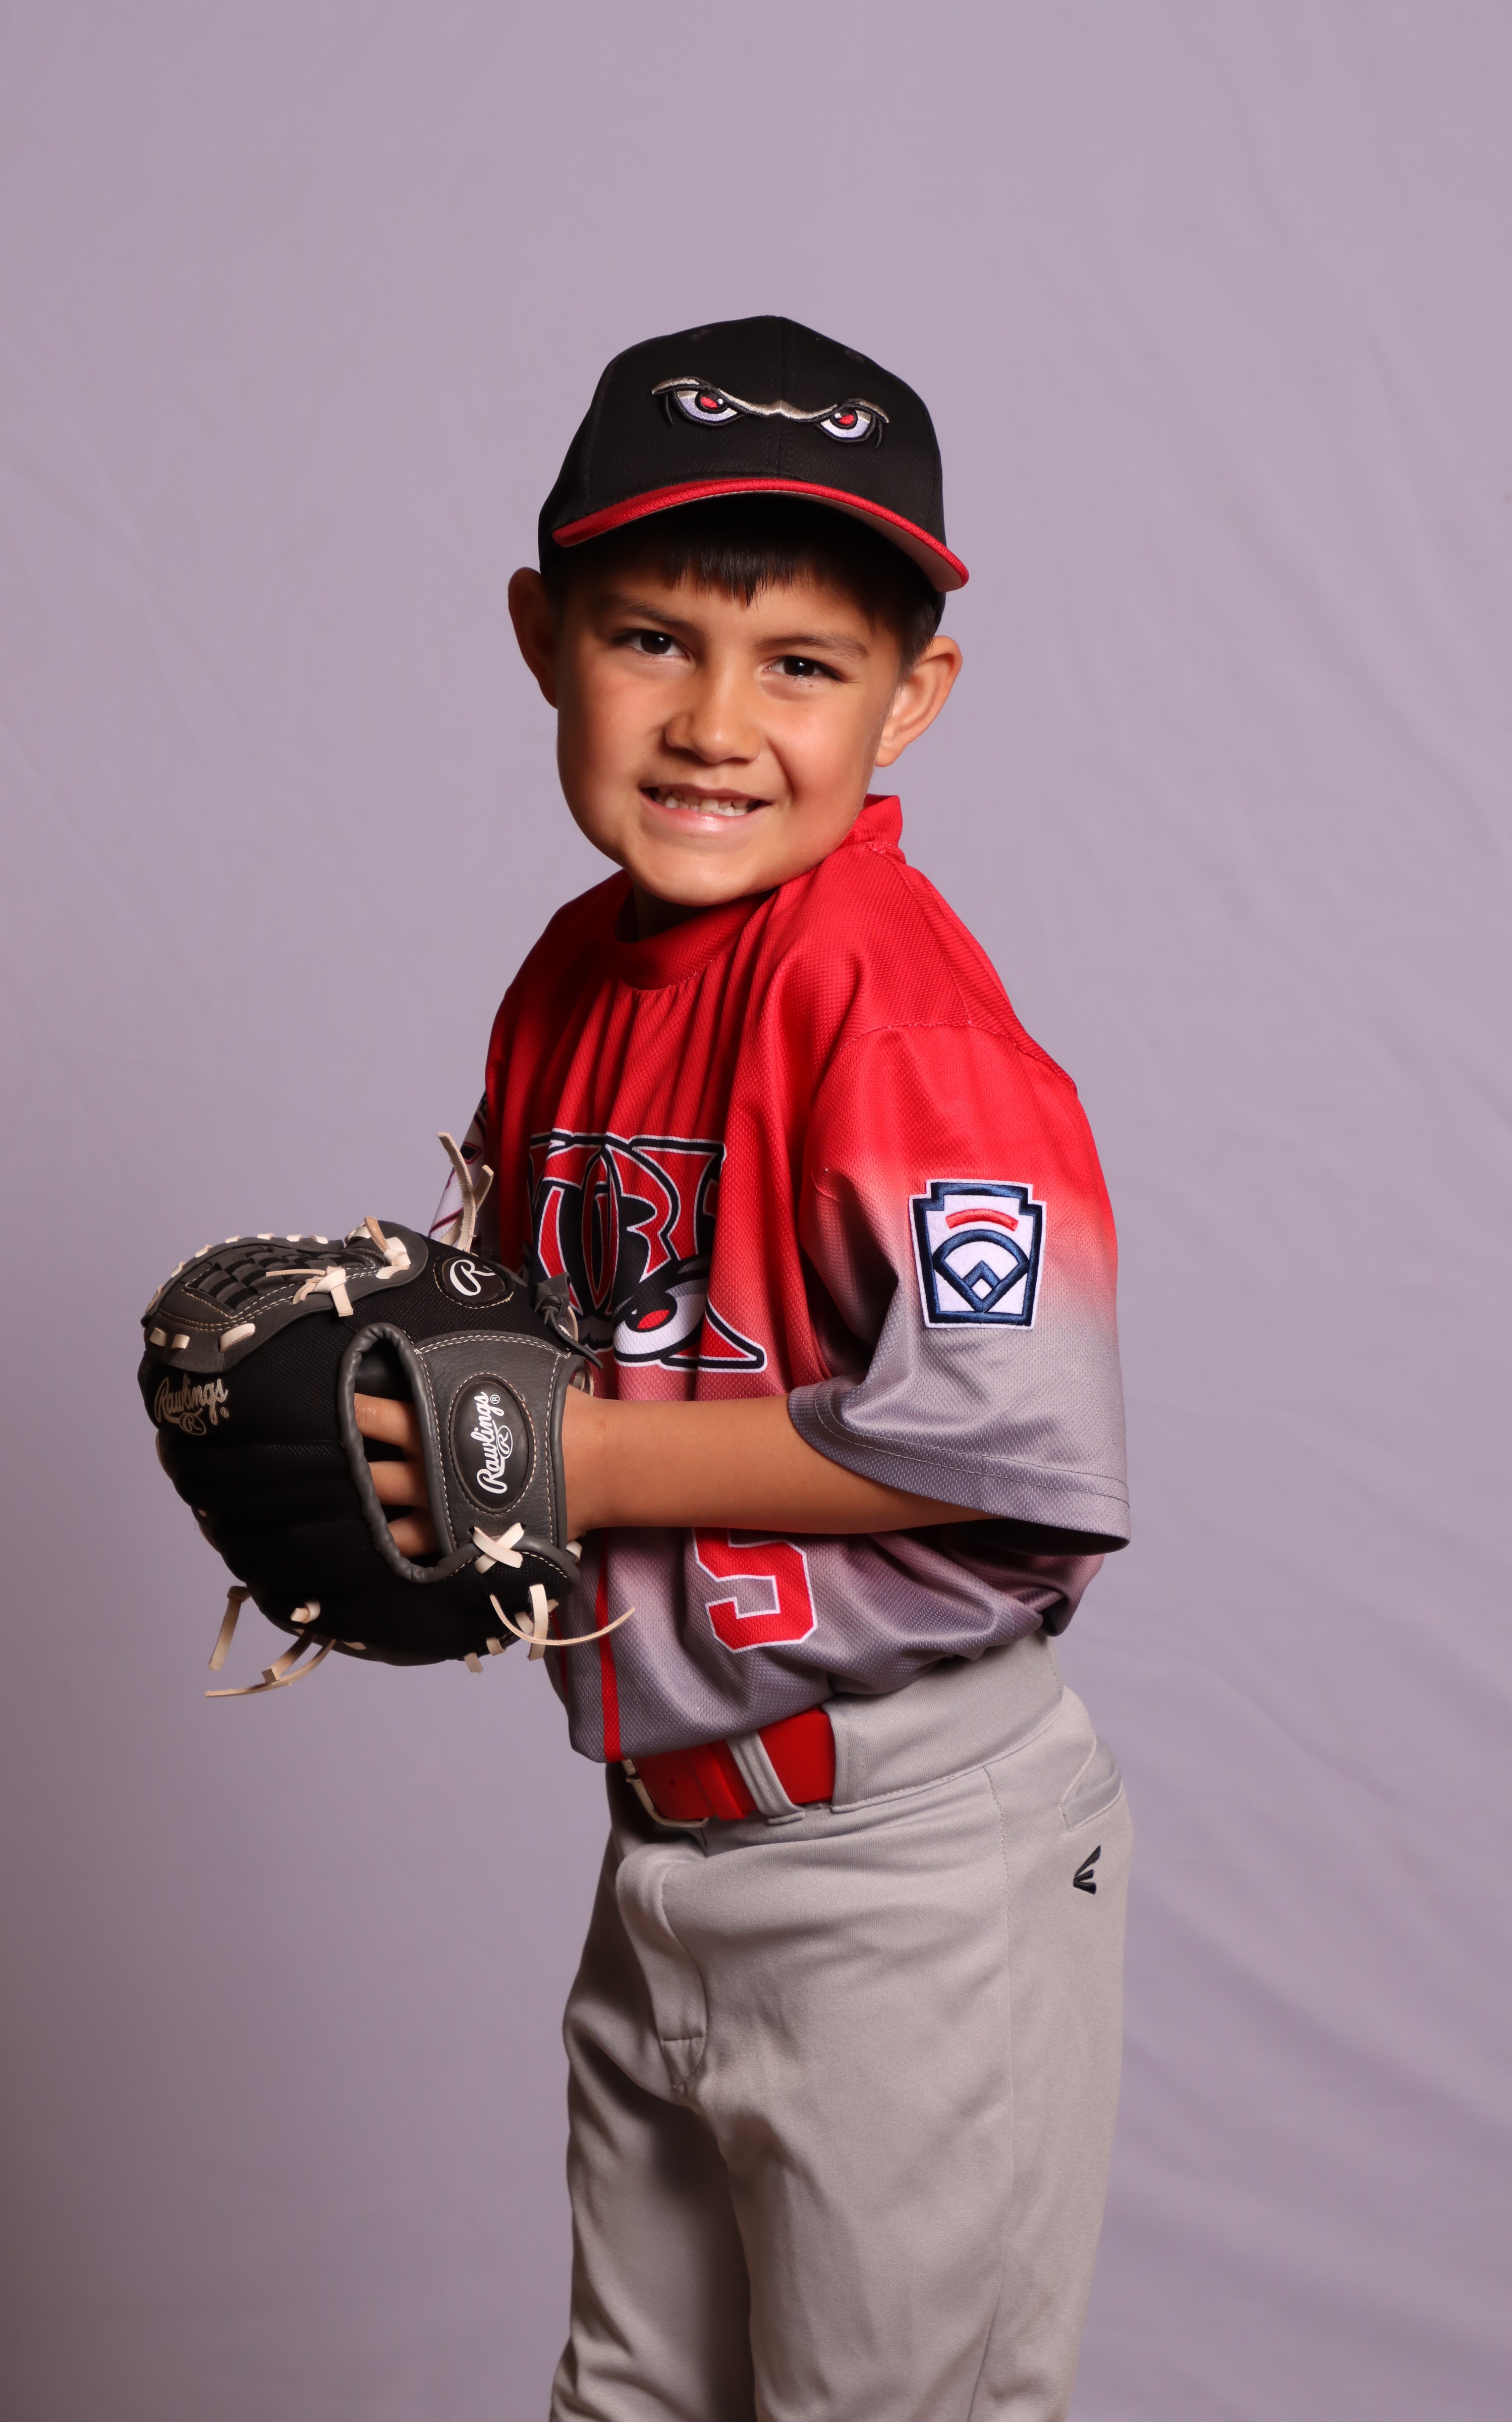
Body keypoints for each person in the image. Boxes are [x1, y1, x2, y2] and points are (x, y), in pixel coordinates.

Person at [356, 315, 1133, 2422]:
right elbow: (543, 1344)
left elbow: (1009, 1440)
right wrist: (403, 1422)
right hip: (670, 1850)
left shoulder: (891, 1004)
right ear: (543, 640)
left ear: (910, 697)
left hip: (914, 1858)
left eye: (800, 662)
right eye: (650, 640)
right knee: (632, 2398)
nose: (715, 723)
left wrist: (577, 1459)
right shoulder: (570, 973)